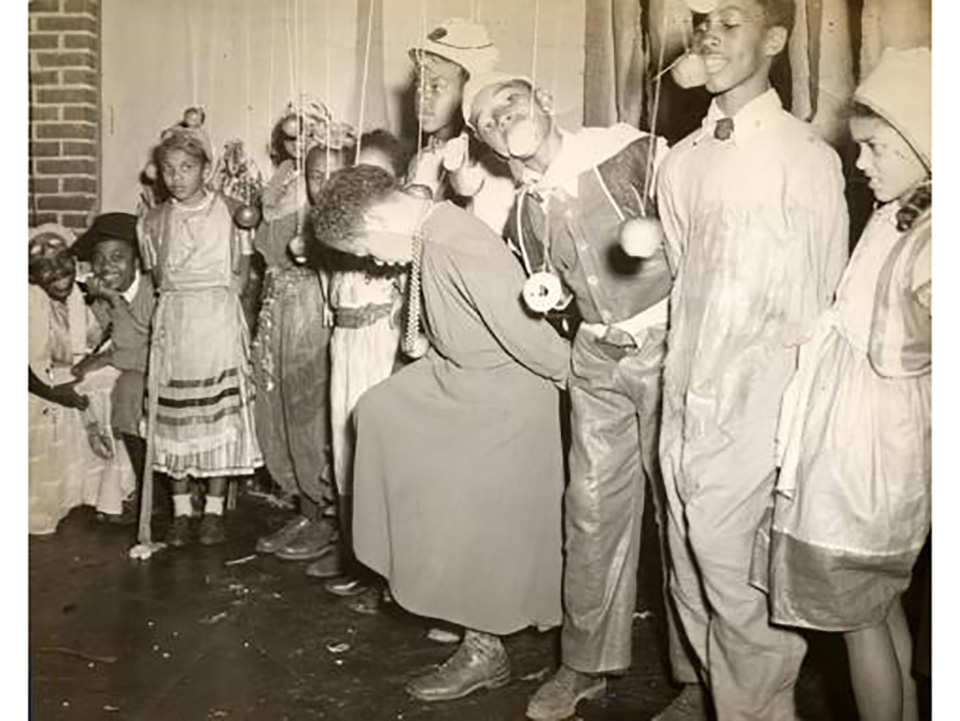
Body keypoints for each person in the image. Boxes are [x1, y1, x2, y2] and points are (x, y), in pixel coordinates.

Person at [464, 73, 702, 721]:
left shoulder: (631, 153)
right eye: (488, 120)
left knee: (680, 512)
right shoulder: (522, 212)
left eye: (510, 101)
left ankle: (700, 677)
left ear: (545, 98)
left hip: (668, 349)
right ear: (487, 145)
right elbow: (552, 290)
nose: (503, 118)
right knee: (590, 512)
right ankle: (586, 663)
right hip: (596, 361)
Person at [655, 1, 850, 718]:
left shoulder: (805, 158)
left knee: (739, 579)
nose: (708, 34)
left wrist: (801, 429)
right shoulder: (683, 161)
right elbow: (683, 275)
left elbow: (826, 297)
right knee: (688, 561)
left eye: (730, 21)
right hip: (685, 395)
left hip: (762, 403)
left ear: (774, 39)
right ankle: (721, 698)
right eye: (702, 20)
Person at [310, 165, 571, 702]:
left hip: (504, 394)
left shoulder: (456, 245)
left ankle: (484, 645)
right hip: (461, 376)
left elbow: (528, 337)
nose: (374, 262)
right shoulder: (431, 233)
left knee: (462, 495)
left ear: (378, 220)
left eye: (365, 250)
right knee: (379, 411)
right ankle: (439, 582)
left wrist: (586, 381)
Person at [759, 47, 931, 721]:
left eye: (877, 148)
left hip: (873, 444)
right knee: (877, 606)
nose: (861, 163)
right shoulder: (900, 210)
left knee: (858, 613)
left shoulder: (934, 238)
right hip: (849, 430)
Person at [137, 110, 263, 547]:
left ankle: (212, 509)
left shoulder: (231, 212)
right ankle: (180, 510)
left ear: (206, 169)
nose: (177, 178)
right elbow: (157, 278)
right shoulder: (152, 220)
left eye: (187, 167)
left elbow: (242, 276)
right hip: (175, 320)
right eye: (169, 169)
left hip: (216, 321)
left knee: (216, 418)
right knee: (174, 420)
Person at [252, 100, 354, 567]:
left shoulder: (334, 204)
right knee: (275, 405)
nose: (296, 145)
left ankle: (326, 515)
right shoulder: (284, 184)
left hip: (313, 307)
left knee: (308, 410)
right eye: (289, 138)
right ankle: (304, 507)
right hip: (279, 304)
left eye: (304, 136)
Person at [318, 131, 411, 591]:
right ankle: (358, 556)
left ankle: (392, 567)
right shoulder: (344, 236)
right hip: (347, 343)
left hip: (382, 343)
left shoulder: (399, 239)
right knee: (346, 445)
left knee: (383, 450)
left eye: (379, 176)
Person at [28, 223, 137, 534]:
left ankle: (108, 495)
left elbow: (100, 342)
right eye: (43, 266)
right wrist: (54, 393)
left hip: (65, 380)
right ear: (31, 276)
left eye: (63, 259)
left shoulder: (79, 295)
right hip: (35, 387)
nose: (57, 271)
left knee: (112, 383)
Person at [71, 213, 157, 524]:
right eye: (99, 258)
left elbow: (142, 349)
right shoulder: (102, 296)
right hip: (136, 362)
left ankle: (153, 495)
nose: (107, 266)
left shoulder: (153, 291)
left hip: (168, 368)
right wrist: (97, 359)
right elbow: (118, 344)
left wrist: (107, 358)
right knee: (82, 385)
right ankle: (110, 488)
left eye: (118, 257)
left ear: (138, 261)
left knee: (127, 390)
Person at [407, 17, 517, 234]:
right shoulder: (424, 158)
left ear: (471, 91)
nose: (422, 97)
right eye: (419, 85)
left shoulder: (492, 167)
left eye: (436, 86)